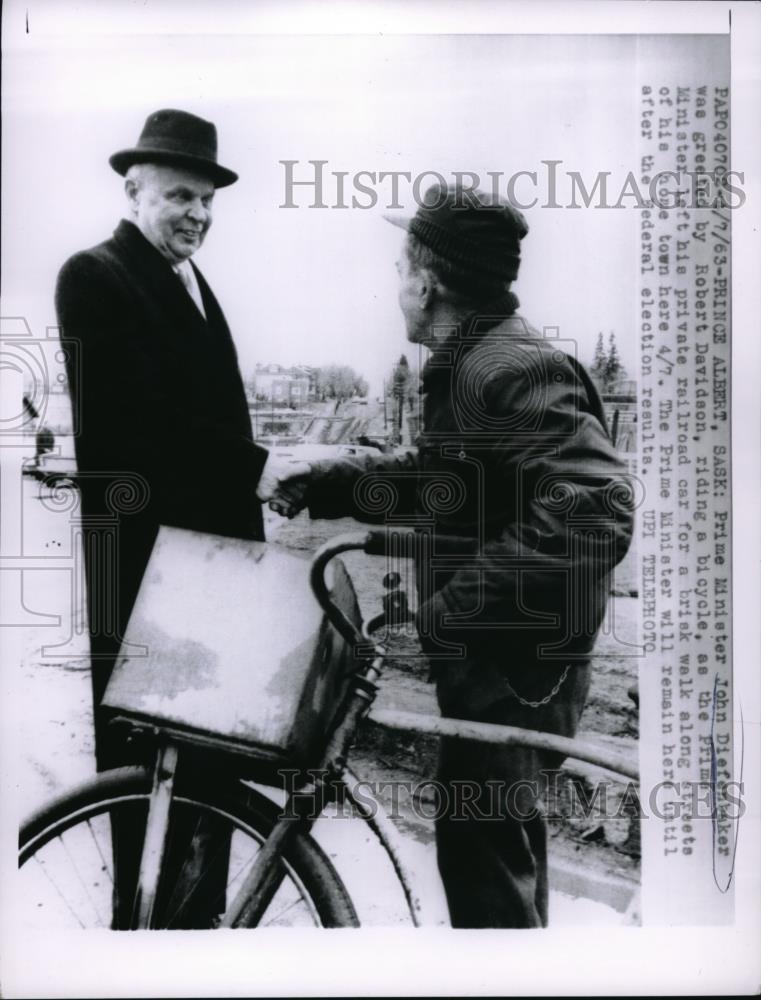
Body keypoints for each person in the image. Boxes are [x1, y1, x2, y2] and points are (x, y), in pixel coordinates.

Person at [272, 182, 635, 928]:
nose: (395, 286)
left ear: (425, 281)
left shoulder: (503, 367)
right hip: (507, 660)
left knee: (483, 870)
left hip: (513, 669)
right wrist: (333, 480)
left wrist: (447, 612)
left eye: (398, 269)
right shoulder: (477, 362)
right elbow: (448, 485)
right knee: (493, 855)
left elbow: (594, 512)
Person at [55, 108, 293, 927]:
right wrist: (261, 471)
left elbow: (209, 421)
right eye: (181, 196)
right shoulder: (95, 275)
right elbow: (132, 431)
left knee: (208, 776)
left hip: (213, 574)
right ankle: (144, 944)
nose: (198, 214)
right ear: (133, 189)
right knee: (145, 781)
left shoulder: (191, 283)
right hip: (151, 576)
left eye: (208, 200)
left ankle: (193, 940)